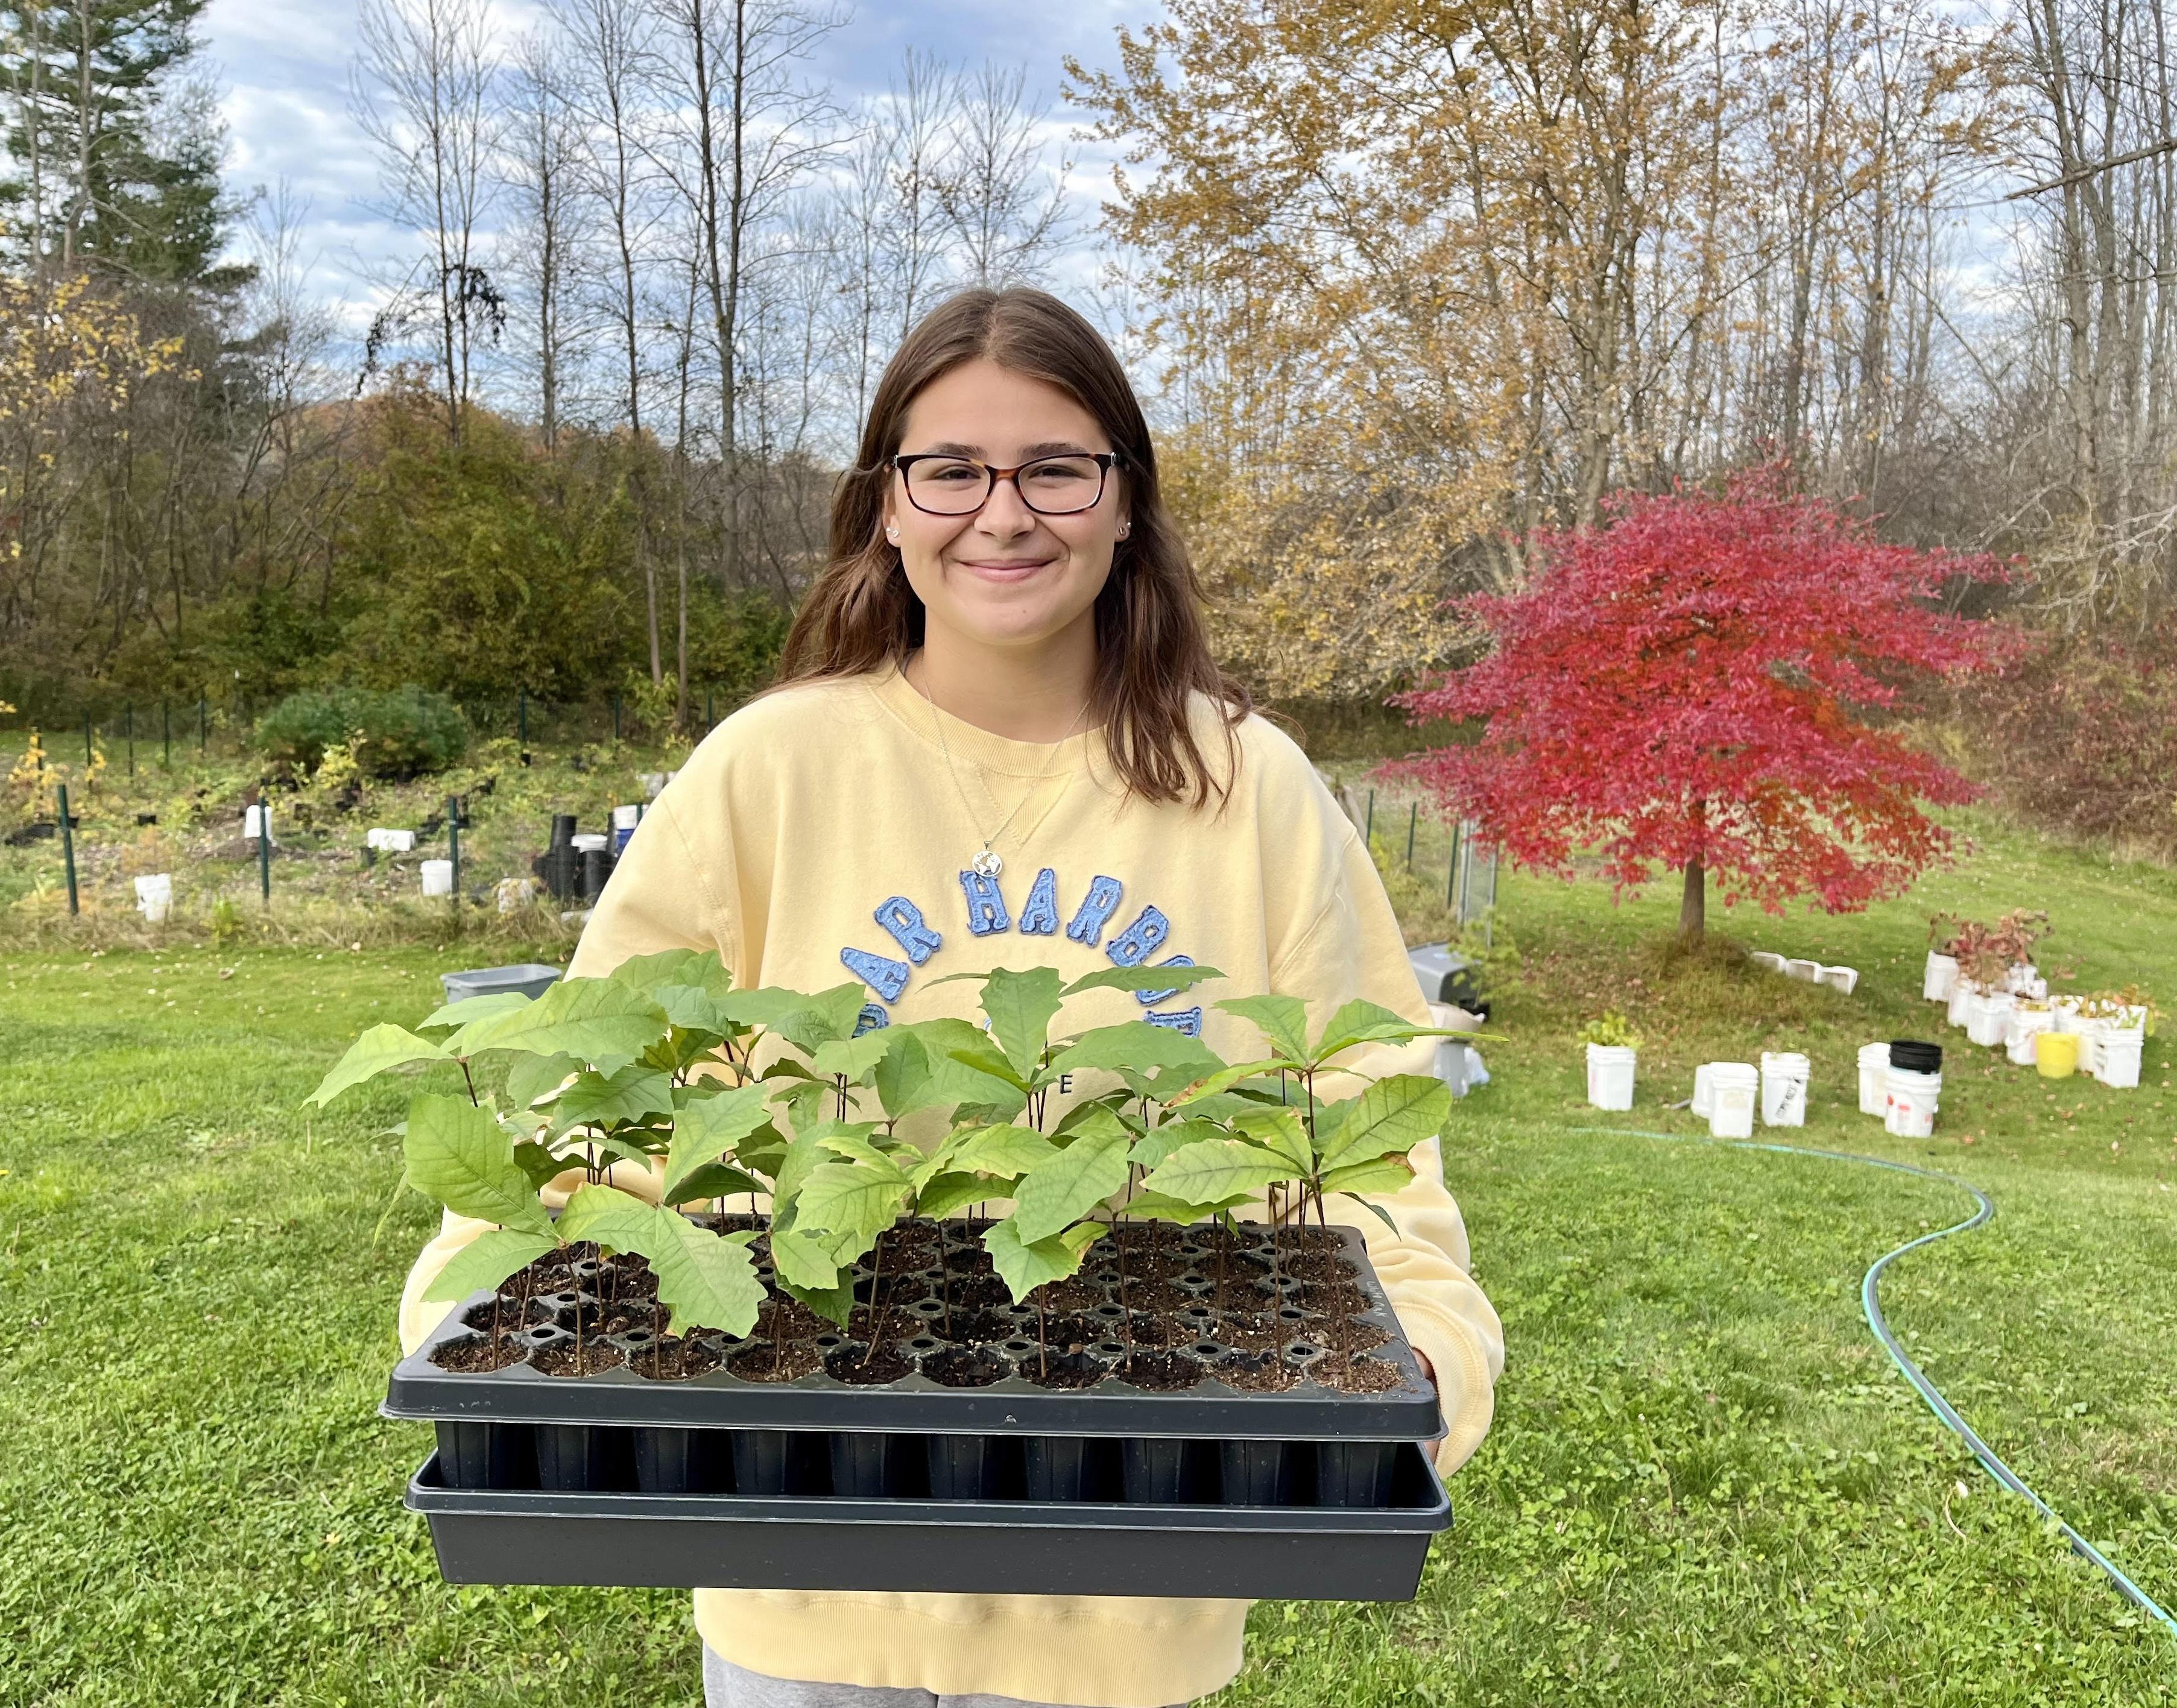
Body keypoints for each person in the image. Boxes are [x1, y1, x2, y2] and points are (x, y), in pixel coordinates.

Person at [399, 286, 1503, 1708]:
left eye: (1055, 467)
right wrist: (479, 1306)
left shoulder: (1250, 788)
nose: (1004, 514)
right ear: (885, 506)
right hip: (800, 1573)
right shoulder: (770, 769)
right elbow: (588, 1093)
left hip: (1130, 1578)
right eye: (950, 470)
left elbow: (1368, 1134)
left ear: (1123, 505)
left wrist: (1424, 1351)